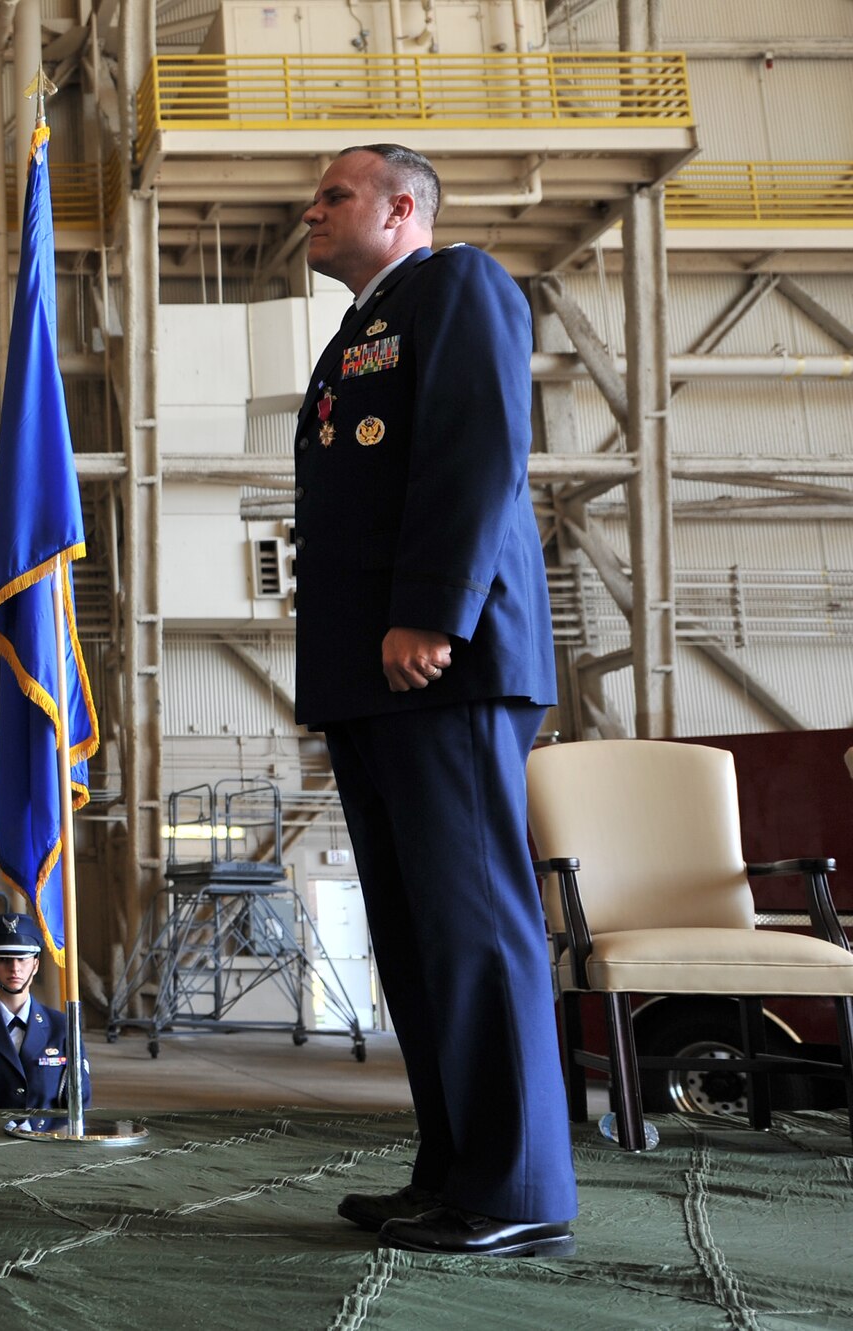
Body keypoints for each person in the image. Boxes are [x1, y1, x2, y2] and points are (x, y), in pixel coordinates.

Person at [293, 143, 576, 1258]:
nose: (310, 211)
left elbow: (473, 450)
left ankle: (516, 1185)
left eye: (334, 196)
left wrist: (435, 610)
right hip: (372, 674)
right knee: (413, 936)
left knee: (472, 925)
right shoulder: (361, 326)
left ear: (401, 208)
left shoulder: (455, 283)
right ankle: (453, 1167)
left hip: (439, 656)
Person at [0, 913, 90, 1112]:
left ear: (35, 965)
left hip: (48, 1139)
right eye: (3, 960)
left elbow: (79, 1102)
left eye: (22, 959)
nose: (14, 968)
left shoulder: (62, 1026)